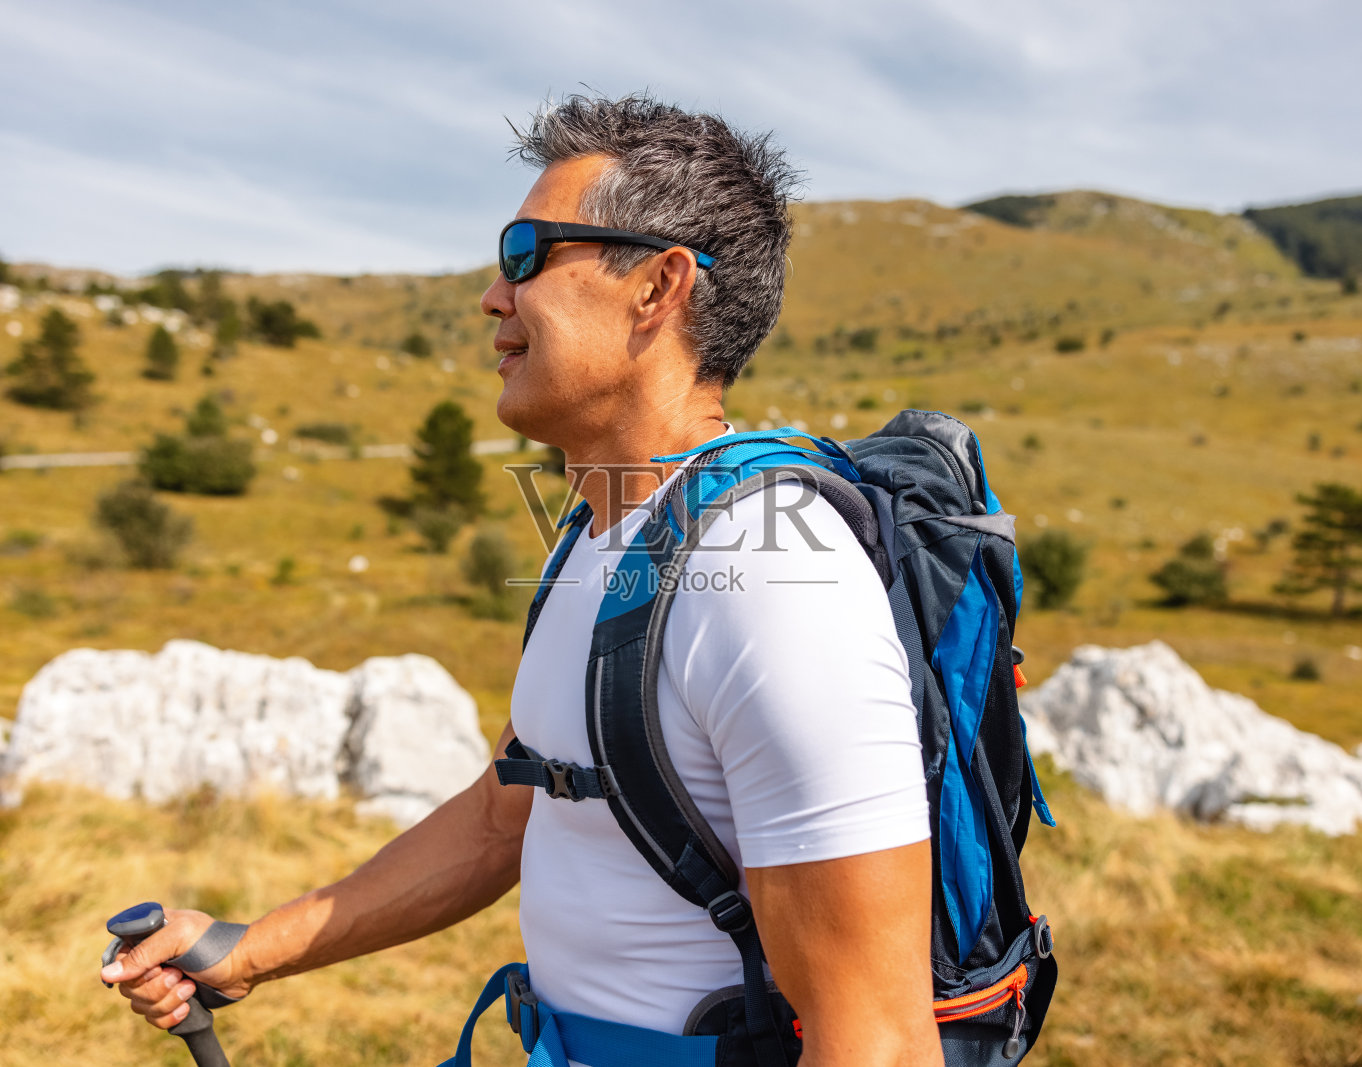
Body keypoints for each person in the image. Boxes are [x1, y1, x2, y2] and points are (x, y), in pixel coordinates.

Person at [100, 93, 944, 1067]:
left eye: (526, 253)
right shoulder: (601, 535)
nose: (494, 297)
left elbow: (876, 1034)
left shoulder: (765, 582)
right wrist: (248, 951)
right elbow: (509, 810)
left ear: (658, 286)